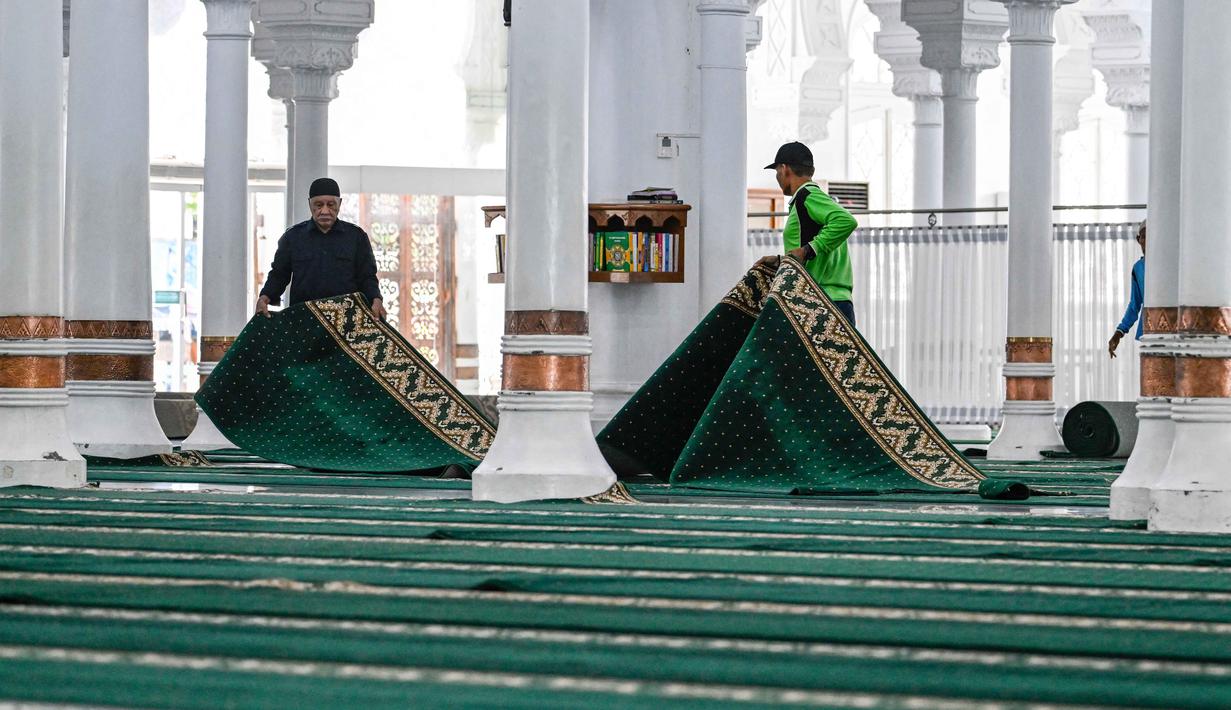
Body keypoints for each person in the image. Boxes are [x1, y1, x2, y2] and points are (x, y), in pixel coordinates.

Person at [756, 141, 859, 325]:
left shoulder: (807, 196)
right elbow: (813, 253)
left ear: (784, 169)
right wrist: (782, 260)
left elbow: (847, 221)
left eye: (777, 172)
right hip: (831, 301)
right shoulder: (809, 201)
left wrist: (806, 250)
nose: (778, 178)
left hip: (823, 302)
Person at [256, 177, 387, 321]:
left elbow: (367, 276)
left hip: (347, 321)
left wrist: (376, 299)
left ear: (340, 203)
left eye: (331, 205)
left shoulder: (356, 237)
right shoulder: (293, 237)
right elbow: (279, 274)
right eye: (318, 205)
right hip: (304, 319)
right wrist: (265, 297)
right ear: (309, 204)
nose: (325, 211)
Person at [1109, 219, 1146, 359]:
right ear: (1138, 239)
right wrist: (1119, 332)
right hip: (1147, 331)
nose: (1147, 241)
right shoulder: (1138, 269)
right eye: (1144, 237)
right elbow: (1134, 305)